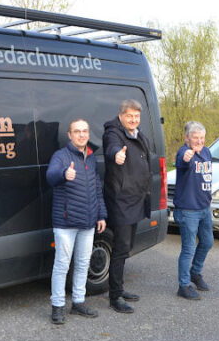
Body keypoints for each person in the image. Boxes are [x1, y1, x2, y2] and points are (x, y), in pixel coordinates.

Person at [46, 119, 107, 325]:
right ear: (69, 135)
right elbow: (50, 177)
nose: (81, 135)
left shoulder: (91, 158)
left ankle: (78, 303)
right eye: (77, 131)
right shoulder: (61, 157)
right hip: (65, 223)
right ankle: (57, 306)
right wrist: (64, 173)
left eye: (84, 131)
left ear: (88, 134)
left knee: (82, 264)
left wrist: (101, 214)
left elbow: (97, 188)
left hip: (88, 222)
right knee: (62, 265)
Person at [102, 99, 152, 313]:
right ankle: (115, 297)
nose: (134, 120)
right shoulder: (113, 133)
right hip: (121, 201)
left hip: (136, 199)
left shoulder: (137, 134)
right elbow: (112, 148)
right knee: (121, 249)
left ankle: (119, 289)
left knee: (127, 248)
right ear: (121, 116)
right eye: (130, 116)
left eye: (136, 116)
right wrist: (117, 155)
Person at [173, 121, 214, 300]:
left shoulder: (206, 152)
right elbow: (183, 160)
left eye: (202, 138)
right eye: (195, 138)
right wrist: (187, 156)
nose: (199, 141)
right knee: (188, 248)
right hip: (188, 210)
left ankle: (195, 272)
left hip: (204, 207)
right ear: (187, 138)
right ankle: (184, 285)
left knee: (207, 242)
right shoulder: (184, 152)